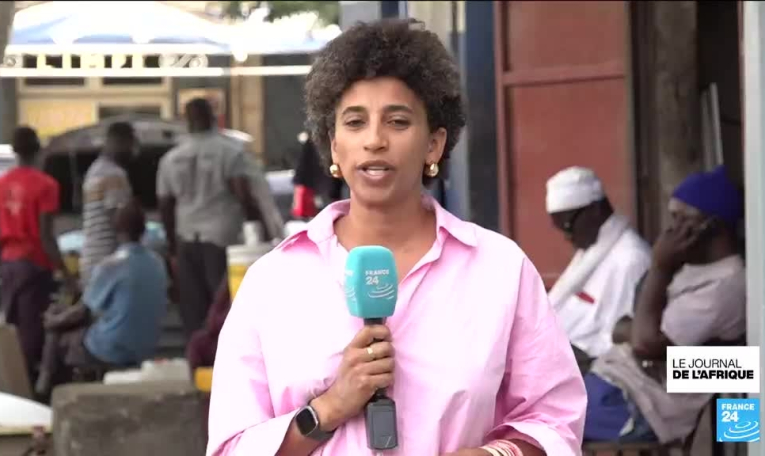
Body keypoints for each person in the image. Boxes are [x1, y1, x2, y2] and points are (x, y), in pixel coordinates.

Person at [207, 19, 586, 456]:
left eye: (398, 121)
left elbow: (555, 421)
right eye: (355, 122)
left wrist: (492, 455)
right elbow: (230, 447)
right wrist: (328, 408)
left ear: (434, 145)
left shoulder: (500, 270)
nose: (374, 140)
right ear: (333, 145)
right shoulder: (273, 281)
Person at [583, 165, 746, 444]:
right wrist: (645, 340)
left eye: (682, 219)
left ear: (712, 227)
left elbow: (643, 343)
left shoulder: (727, 286)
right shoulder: (690, 266)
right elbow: (620, 328)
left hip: (635, 402)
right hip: (615, 380)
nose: (671, 230)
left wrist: (660, 268)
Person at [157, 97, 274, 340]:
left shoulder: (171, 158)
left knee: (193, 310)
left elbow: (165, 206)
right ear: (213, 118)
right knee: (224, 310)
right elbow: (244, 196)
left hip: (186, 240)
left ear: (186, 121)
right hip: (222, 239)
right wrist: (262, 233)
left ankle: (197, 357)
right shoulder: (229, 152)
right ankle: (224, 358)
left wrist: (172, 249)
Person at [35, 200, 169, 397]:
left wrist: (52, 321)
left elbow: (81, 312)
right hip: (146, 346)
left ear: (115, 229)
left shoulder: (111, 265)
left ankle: (45, 389)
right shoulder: (157, 263)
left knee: (59, 335)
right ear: (143, 230)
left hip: (112, 349)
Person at [545, 167, 651, 371]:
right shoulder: (592, 250)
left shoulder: (631, 259)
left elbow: (617, 340)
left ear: (594, 209)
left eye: (567, 225)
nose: (567, 236)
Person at [0, 126, 78, 383]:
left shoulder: (3, 183)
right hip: (33, 264)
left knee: (11, 328)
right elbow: (46, 236)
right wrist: (66, 275)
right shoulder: (46, 185)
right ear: (38, 150)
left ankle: (13, 383)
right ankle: (29, 388)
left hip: (8, 263)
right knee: (32, 333)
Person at [79, 121, 137, 287]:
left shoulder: (94, 171)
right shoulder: (114, 174)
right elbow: (120, 221)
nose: (132, 151)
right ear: (121, 142)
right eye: (131, 145)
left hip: (91, 260)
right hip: (109, 261)